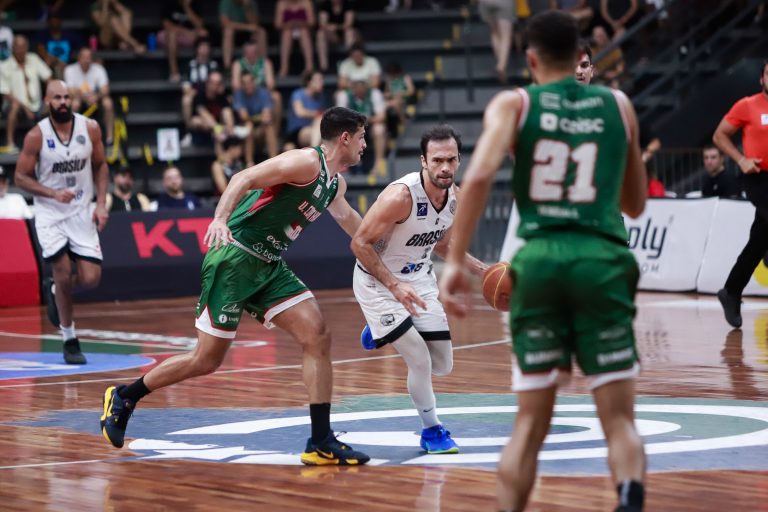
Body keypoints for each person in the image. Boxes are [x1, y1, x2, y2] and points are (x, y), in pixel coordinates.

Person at [438, 11, 647, 512]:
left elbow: (479, 175)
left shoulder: (515, 104)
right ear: (581, 57)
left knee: (530, 425)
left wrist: (454, 264)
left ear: (530, 60)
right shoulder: (619, 106)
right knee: (620, 421)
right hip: (602, 260)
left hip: (541, 263)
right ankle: (628, 496)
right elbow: (636, 204)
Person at [100, 106, 372, 467]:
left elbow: (351, 220)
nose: (365, 145)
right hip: (235, 257)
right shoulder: (306, 162)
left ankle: (320, 441)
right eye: (362, 137)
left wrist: (381, 246)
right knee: (206, 359)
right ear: (345, 138)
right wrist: (219, 219)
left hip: (268, 265)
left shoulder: (335, 184)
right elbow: (243, 177)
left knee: (317, 334)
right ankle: (125, 396)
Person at [351, 125, 486, 454]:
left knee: (443, 365)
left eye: (451, 160)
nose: (445, 167)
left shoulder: (454, 198)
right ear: (423, 161)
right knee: (420, 361)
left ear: (459, 160)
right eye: (437, 160)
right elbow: (360, 243)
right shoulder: (401, 197)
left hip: (420, 281)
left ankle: (378, 331)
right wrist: (394, 285)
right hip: (378, 282)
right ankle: (432, 430)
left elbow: (443, 246)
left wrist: (484, 271)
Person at [14, 80, 109, 365]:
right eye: (57, 98)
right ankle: (69, 339)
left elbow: (101, 165)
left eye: (67, 97)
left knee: (91, 279)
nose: (63, 102)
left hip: (80, 211)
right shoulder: (37, 135)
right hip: (50, 212)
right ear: (47, 101)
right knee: (63, 271)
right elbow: (20, 177)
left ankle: (56, 289)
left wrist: (100, 204)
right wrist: (52, 192)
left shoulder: (90, 128)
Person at [713, 60, 768, 329]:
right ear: (762, 79)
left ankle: (731, 291)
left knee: (760, 237)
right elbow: (720, 135)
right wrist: (741, 159)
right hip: (758, 177)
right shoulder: (747, 105)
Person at [0, 35, 52, 153]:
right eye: (18, 47)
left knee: (55, 103)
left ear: (27, 47)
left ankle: (53, 143)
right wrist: (25, 108)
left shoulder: (34, 58)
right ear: (12, 48)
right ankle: (10, 143)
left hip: (36, 104)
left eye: (23, 47)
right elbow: (6, 94)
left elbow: (48, 78)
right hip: (15, 106)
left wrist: (49, 97)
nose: (21, 50)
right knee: (15, 106)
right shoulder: (3, 66)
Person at [336, 78, 387, 175]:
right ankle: (343, 163)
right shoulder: (344, 95)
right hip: (351, 127)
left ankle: (378, 164)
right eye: (357, 86)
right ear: (353, 87)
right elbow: (340, 117)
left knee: (379, 129)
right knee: (339, 129)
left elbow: (381, 117)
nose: (360, 88)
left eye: (362, 85)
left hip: (369, 126)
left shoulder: (375, 93)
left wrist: (365, 120)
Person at [64, 46, 114, 144]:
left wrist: (96, 96)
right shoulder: (70, 69)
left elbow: (105, 89)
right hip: (78, 98)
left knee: (108, 103)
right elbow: (70, 91)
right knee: (74, 104)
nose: (86, 60)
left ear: (92, 59)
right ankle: (71, 135)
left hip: (96, 98)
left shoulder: (99, 69)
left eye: (88, 57)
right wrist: (85, 97)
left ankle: (110, 137)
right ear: (79, 58)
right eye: (84, 57)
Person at [233, 72, 277, 165]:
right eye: (244, 83)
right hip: (242, 132)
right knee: (249, 125)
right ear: (241, 85)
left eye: (249, 82)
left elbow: (266, 116)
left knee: (269, 126)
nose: (247, 85)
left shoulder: (264, 93)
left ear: (254, 82)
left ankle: (274, 161)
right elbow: (244, 117)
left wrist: (257, 118)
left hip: (260, 130)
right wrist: (259, 117)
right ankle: (249, 163)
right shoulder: (238, 94)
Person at [159, 0, 208, 82]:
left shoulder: (195, 4)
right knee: (172, 34)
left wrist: (187, 7)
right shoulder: (169, 3)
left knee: (203, 33)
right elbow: (167, 25)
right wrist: (186, 32)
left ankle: (204, 72)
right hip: (169, 36)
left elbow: (199, 25)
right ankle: (174, 73)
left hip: (188, 37)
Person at [181, 36, 220, 129]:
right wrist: (194, 92)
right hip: (195, 95)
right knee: (186, 100)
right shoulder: (190, 65)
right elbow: (185, 86)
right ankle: (189, 128)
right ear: (197, 49)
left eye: (207, 47)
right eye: (202, 47)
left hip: (210, 95)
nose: (204, 50)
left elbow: (218, 84)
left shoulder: (213, 65)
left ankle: (214, 127)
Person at [219, 0, 267, 69]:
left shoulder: (250, 2)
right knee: (228, 31)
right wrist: (247, 27)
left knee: (261, 32)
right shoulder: (226, 2)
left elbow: (254, 24)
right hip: (233, 35)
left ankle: (262, 67)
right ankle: (227, 67)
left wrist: (247, 8)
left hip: (247, 34)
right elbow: (225, 23)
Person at [285, 70, 325, 149]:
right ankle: (315, 151)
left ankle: (314, 149)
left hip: (312, 130)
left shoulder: (320, 98)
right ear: (309, 82)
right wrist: (317, 113)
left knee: (322, 132)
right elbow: (299, 112)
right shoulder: (298, 94)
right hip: (296, 132)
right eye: (318, 80)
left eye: (322, 80)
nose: (322, 83)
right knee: (319, 124)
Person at [275, 0, 315, 77]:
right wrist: (289, 24)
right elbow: (277, 24)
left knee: (303, 32)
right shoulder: (281, 3)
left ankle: (309, 67)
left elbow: (312, 22)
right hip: (287, 31)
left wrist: (300, 23)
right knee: (287, 33)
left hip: (303, 31)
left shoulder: (306, 2)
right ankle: (284, 67)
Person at [478, 0, 515, 84]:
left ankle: (499, 60)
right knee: (505, 36)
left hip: (485, 3)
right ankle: (502, 65)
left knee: (494, 33)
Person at [316, 0, 356, 73]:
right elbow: (322, 24)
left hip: (345, 34)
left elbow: (349, 24)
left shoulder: (348, 5)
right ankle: (323, 66)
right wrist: (329, 28)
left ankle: (351, 63)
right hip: (331, 35)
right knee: (320, 34)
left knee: (349, 32)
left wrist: (336, 27)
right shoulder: (325, 5)